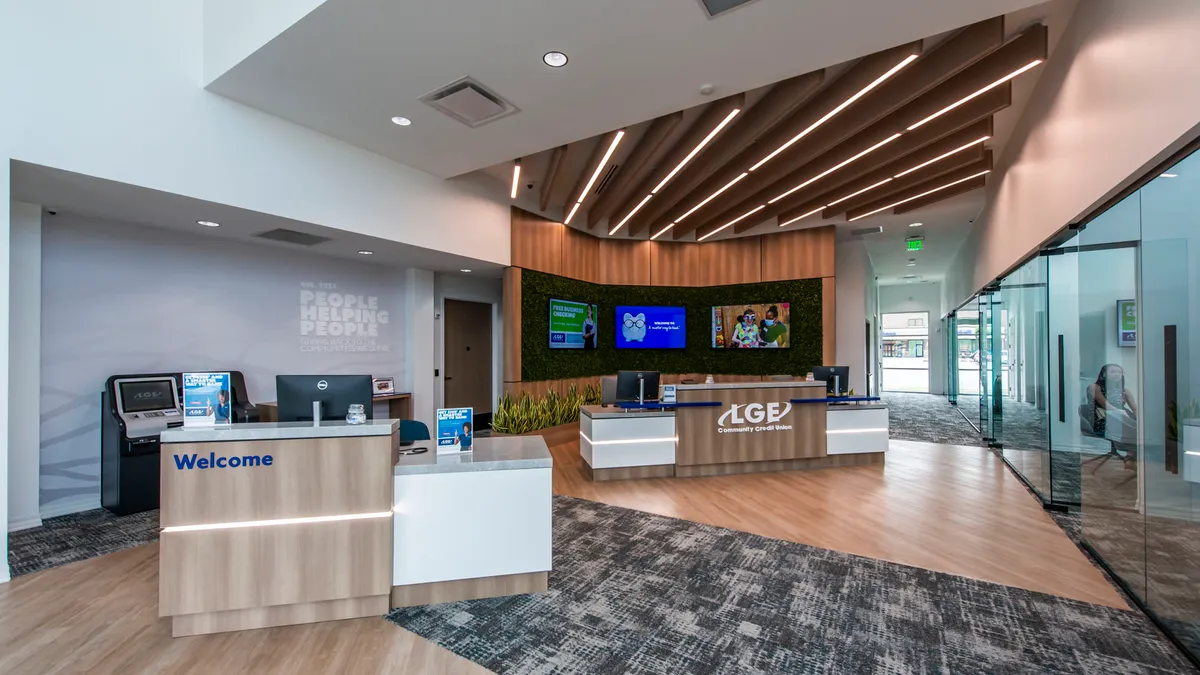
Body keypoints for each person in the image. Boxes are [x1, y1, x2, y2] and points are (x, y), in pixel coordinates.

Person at [1087, 364, 1137, 438]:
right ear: (1104, 374)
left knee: (1139, 429)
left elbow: (1135, 409)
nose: (1117, 374)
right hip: (1102, 420)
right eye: (1112, 372)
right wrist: (1122, 415)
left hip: (1120, 420)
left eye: (1120, 372)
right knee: (1131, 431)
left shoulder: (1125, 391)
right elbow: (1106, 405)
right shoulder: (1094, 387)